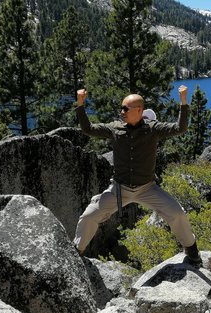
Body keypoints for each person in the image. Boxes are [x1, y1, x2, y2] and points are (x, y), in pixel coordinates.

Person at [73, 86, 202, 266]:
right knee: (89, 216)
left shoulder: (153, 129)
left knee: (178, 214)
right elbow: (88, 129)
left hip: (147, 188)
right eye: (121, 108)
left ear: (139, 111)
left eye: (125, 108)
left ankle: (191, 249)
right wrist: (80, 105)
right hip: (119, 189)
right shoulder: (114, 128)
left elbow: (180, 128)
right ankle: (76, 253)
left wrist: (183, 102)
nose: (121, 111)